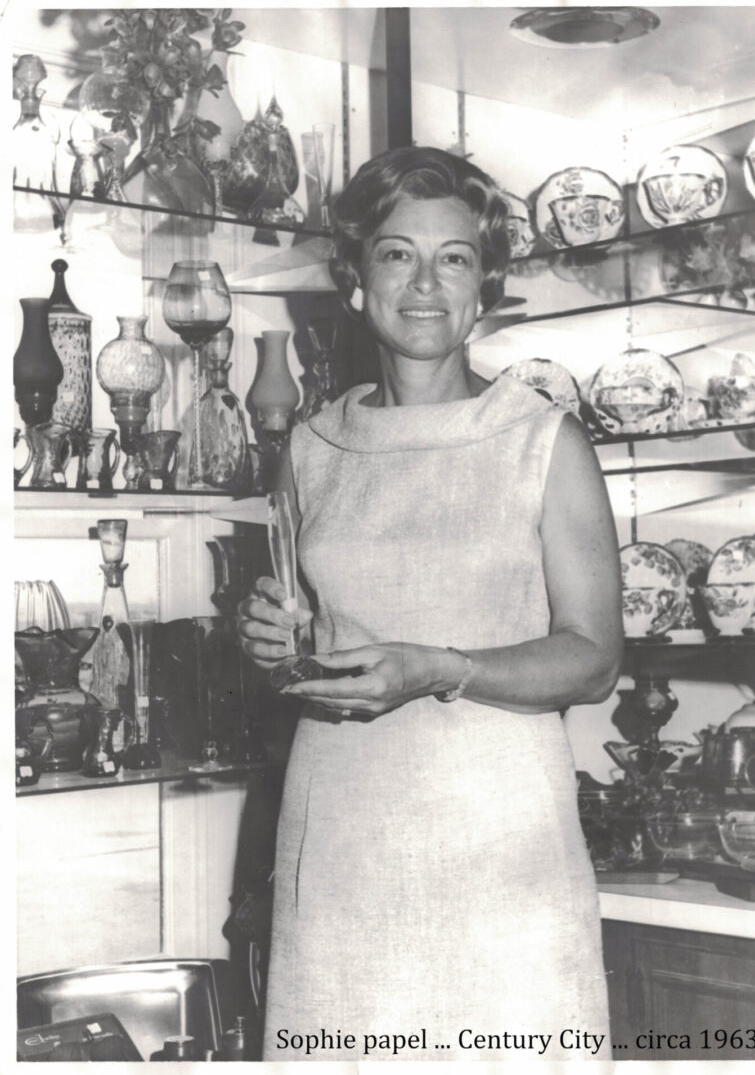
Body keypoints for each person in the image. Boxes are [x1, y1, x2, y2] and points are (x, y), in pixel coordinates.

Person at [237, 145, 623, 1062]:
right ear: (357, 281)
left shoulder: (542, 442)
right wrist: (269, 638)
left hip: (503, 848)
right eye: (397, 253)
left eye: (453, 258)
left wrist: (443, 669)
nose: (424, 282)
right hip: (341, 840)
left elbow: (596, 657)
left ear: (483, 287)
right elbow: (303, 632)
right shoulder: (313, 447)